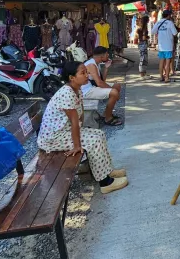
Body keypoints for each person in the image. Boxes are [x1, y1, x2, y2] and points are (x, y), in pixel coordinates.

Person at [37, 61, 127, 194]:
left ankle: (108, 171)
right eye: (82, 73)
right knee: (94, 141)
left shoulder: (77, 89)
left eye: (86, 71)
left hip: (63, 132)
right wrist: (77, 146)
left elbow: (80, 115)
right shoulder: (67, 93)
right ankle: (105, 183)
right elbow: (74, 122)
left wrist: (84, 131)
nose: (87, 75)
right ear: (71, 77)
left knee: (99, 134)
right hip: (53, 138)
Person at [84, 46, 123, 126]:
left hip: (92, 87)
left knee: (117, 86)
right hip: (86, 90)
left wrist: (106, 68)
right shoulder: (91, 65)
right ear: (102, 56)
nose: (108, 55)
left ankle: (106, 114)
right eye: (106, 54)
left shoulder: (95, 63)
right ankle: (108, 118)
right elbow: (99, 83)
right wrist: (114, 92)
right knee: (114, 92)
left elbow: (102, 81)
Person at [151, 9, 178, 82]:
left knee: (161, 61)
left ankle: (161, 77)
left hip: (161, 45)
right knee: (168, 61)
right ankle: (166, 78)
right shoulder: (170, 23)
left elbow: (153, 31)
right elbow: (175, 33)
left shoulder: (158, 22)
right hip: (168, 45)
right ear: (169, 15)